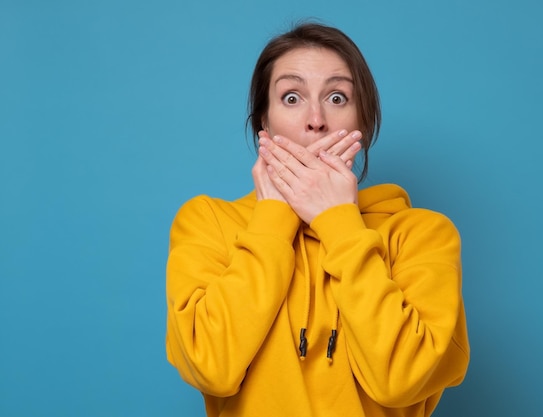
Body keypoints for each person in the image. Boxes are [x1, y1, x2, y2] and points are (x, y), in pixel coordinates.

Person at [165, 22, 469, 417]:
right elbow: (211, 368)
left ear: (364, 121)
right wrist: (274, 217)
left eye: (338, 97)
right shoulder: (207, 222)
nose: (316, 119)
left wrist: (339, 224)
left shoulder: (422, 235)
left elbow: (402, 380)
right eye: (291, 97)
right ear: (264, 122)